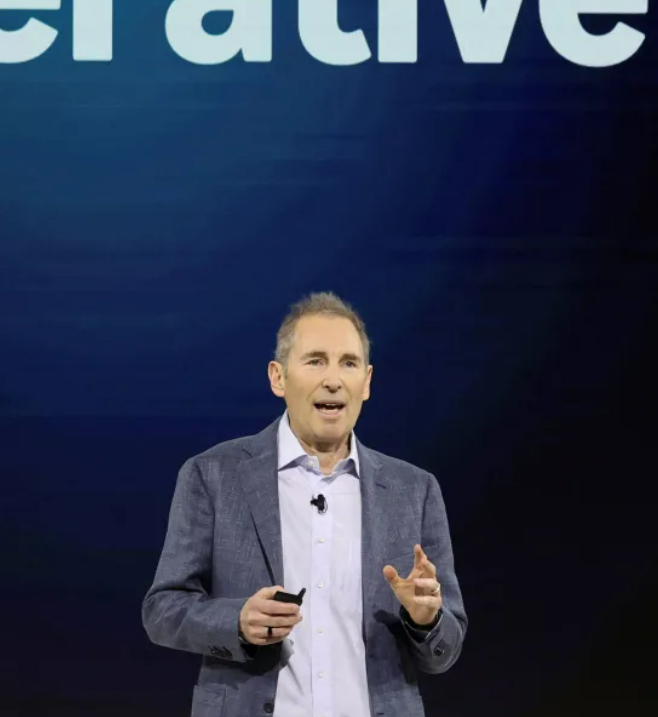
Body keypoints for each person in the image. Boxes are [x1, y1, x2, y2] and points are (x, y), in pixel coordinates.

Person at [142, 292, 467, 717]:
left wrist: (425, 619)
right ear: (278, 377)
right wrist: (236, 621)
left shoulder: (415, 490)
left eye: (348, 363)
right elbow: (162, 609)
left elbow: (446, 648)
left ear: (367, 382)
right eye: (315, 361)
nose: (333, 379)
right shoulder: (213, 475)